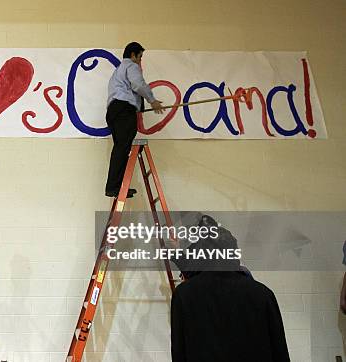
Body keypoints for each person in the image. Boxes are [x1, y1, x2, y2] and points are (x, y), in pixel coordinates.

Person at [170, 215, 290, 362]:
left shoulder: (184, 295)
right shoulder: (263, 294)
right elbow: (280, 352)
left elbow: (179, 352)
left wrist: (176, 251)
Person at [105, 41, 164, 198]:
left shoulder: (118, 71)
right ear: (133, 55)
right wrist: (152, 100)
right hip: (124, 110)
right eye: (140, 57)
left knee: (120, 148)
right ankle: (114, 187)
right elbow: (138, 84)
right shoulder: (131, 66)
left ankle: (114, 186)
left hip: (114, 111)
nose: (140, 61)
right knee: (122, 148)